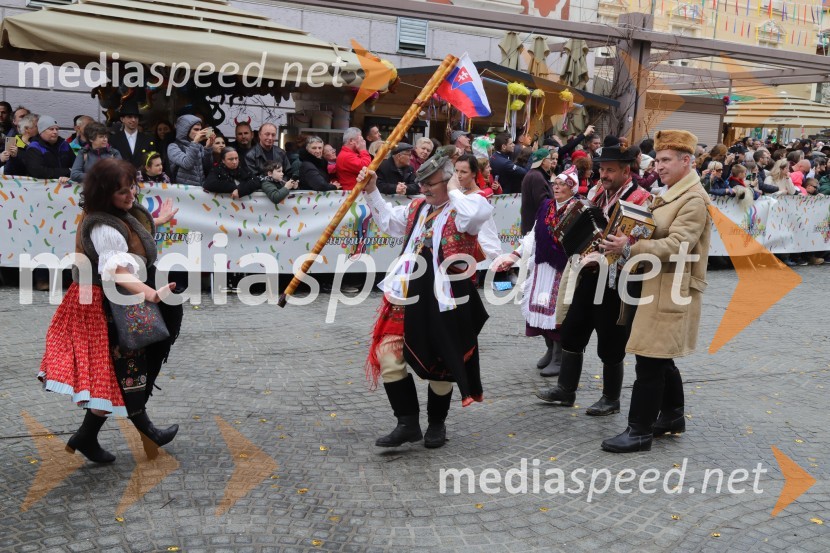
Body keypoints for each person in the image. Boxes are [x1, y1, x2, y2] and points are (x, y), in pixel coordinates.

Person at [38, 158, 182, 463]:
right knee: (124, 366)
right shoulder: (103, 225)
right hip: (102, 303)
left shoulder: (113, 213)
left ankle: (88, 437)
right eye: (122, 192)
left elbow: (132, 233)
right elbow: (116, 270)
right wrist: (152, 294)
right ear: (105, 196)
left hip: (114, 299)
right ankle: (147, 434)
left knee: (117, 371)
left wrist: (161, 218)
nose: (131, 196)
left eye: (131, 187)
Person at [360, 149, 493, 449]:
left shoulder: (468, 208)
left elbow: (476, 213)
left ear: (449, 182)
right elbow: (389, 222)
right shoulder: (419, 207)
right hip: (408, 295)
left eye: (431, 184)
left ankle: (437, 423)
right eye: (422, 183)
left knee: (441, 364)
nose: (423, 189)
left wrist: (454, 189)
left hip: (446, 299)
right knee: (388, 355)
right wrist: (371, 191)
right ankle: (407, 422)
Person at [599, 130, 711, 453]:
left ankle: (639, 431)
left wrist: (631, 246)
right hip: (656, 285)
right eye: (658, 159)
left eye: (665, 160)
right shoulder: (671, 192)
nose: (658, 166)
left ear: (686, 161)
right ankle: (673, 415)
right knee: (661, 357)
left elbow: (678, 245)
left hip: (671, 288)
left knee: (649, 359)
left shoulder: (692, 200)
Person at [536, 144, 651, 415]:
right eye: (602, 168)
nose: (604, 174)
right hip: (588, 273)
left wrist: (618, 247)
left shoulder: (642, 198)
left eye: (610, 170)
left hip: (618, 279)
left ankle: (611, 398)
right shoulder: (598, 192)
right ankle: (566, 390)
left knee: (611, 338)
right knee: (573, 328)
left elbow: (640, 238)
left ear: (626, 170)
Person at [495, 167, 580, 377]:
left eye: (562, 185)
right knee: (540, 305)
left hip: (563, 267)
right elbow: (533, 235)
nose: (557, 187)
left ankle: (560, 356)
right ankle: (550, 350)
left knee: (558, 310)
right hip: (542, 264)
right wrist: (513, 256)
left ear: (572, 188)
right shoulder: (546, 206)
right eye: (555, 184)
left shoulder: (578, 209)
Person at [454, 153, 502, 261]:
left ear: (474, 174)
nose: (458, 175)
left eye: (464, 172)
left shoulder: (477, 197)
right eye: (456, 171)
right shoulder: (458, 192)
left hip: (481, 256)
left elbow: (484, 232)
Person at [23, 116, 76, 184]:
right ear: (42, 131)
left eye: (57, 129)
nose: (55, 132)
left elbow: (75, 164)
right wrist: (66, 172)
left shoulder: (64, 144)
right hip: (42, 188)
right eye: (51, 129)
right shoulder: (34, 147)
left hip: (64, 186)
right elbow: (38, 171)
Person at [167, 114, 214, 186]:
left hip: (200, 189)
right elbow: (187, 164)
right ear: (185, 130)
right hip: (183, 191)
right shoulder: (173, 147)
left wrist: (208, 148)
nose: (199, 132)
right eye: (196, 129)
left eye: (200, 129)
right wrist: (195, 142)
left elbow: (207, 167)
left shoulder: (199, 146)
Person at [109, 103, 157, 169]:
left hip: (143, 177)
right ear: (122, 119)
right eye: (129, 117)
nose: (133, 120)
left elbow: (153, 161)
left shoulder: (148, 139)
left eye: (136, 117)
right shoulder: (113, 139)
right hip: (120, 177)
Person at [519, 148, 555, 234]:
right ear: (543, 161)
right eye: (549, 159)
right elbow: (543, 204)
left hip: (533, 226)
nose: (551, 161)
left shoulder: (534, 174)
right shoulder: (537, 177)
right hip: (535, 228)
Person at [336, 127, 371, 191]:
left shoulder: (350, 154)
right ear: (351, 141)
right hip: (354, 195)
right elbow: (367, 168)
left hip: (357, 194)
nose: (363, 141)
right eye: (360, 138)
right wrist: (363, 150)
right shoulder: (346, 156)